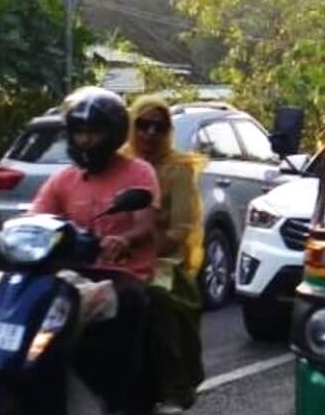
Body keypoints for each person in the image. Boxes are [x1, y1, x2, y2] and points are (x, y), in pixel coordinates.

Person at [33, 87, 160, 415]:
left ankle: (122, 401)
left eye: (94, 132)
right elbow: (36, 218)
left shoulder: (139, 173)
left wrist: (125, 239)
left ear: (114, 134)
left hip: (121, 274)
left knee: (127, 308)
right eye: (80, 132)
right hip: (73, 275)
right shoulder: (64, 180)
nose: (86, 140)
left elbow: (146, 224)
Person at [126, 95, 205, 413]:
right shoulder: (119, 163)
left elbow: (182, 227)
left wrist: (149, 249)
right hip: (114, 254)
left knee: (159, 300)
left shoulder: (178, 170)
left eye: (158, 127)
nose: (149, 134)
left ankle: (175, 385)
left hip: (162, 259)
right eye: (143, 125)